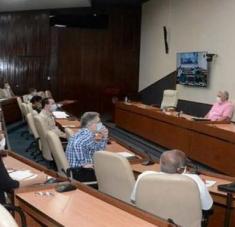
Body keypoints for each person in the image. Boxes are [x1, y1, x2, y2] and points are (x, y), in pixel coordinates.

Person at [131, 149, 213, 211]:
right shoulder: (195, 181)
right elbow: (207, 207)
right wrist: (200, 184)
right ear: (181, 169)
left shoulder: (144, 176)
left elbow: (134, 200)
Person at [66, 112, 108, 181]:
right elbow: (77, 144)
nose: (101, 124)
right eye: (98, 122)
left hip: (74, 171)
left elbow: (98, 150)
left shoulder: (83, 132)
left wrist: (104, 137)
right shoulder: (87, 136)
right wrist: (84, 163)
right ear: (89, 124)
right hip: (80, 173)